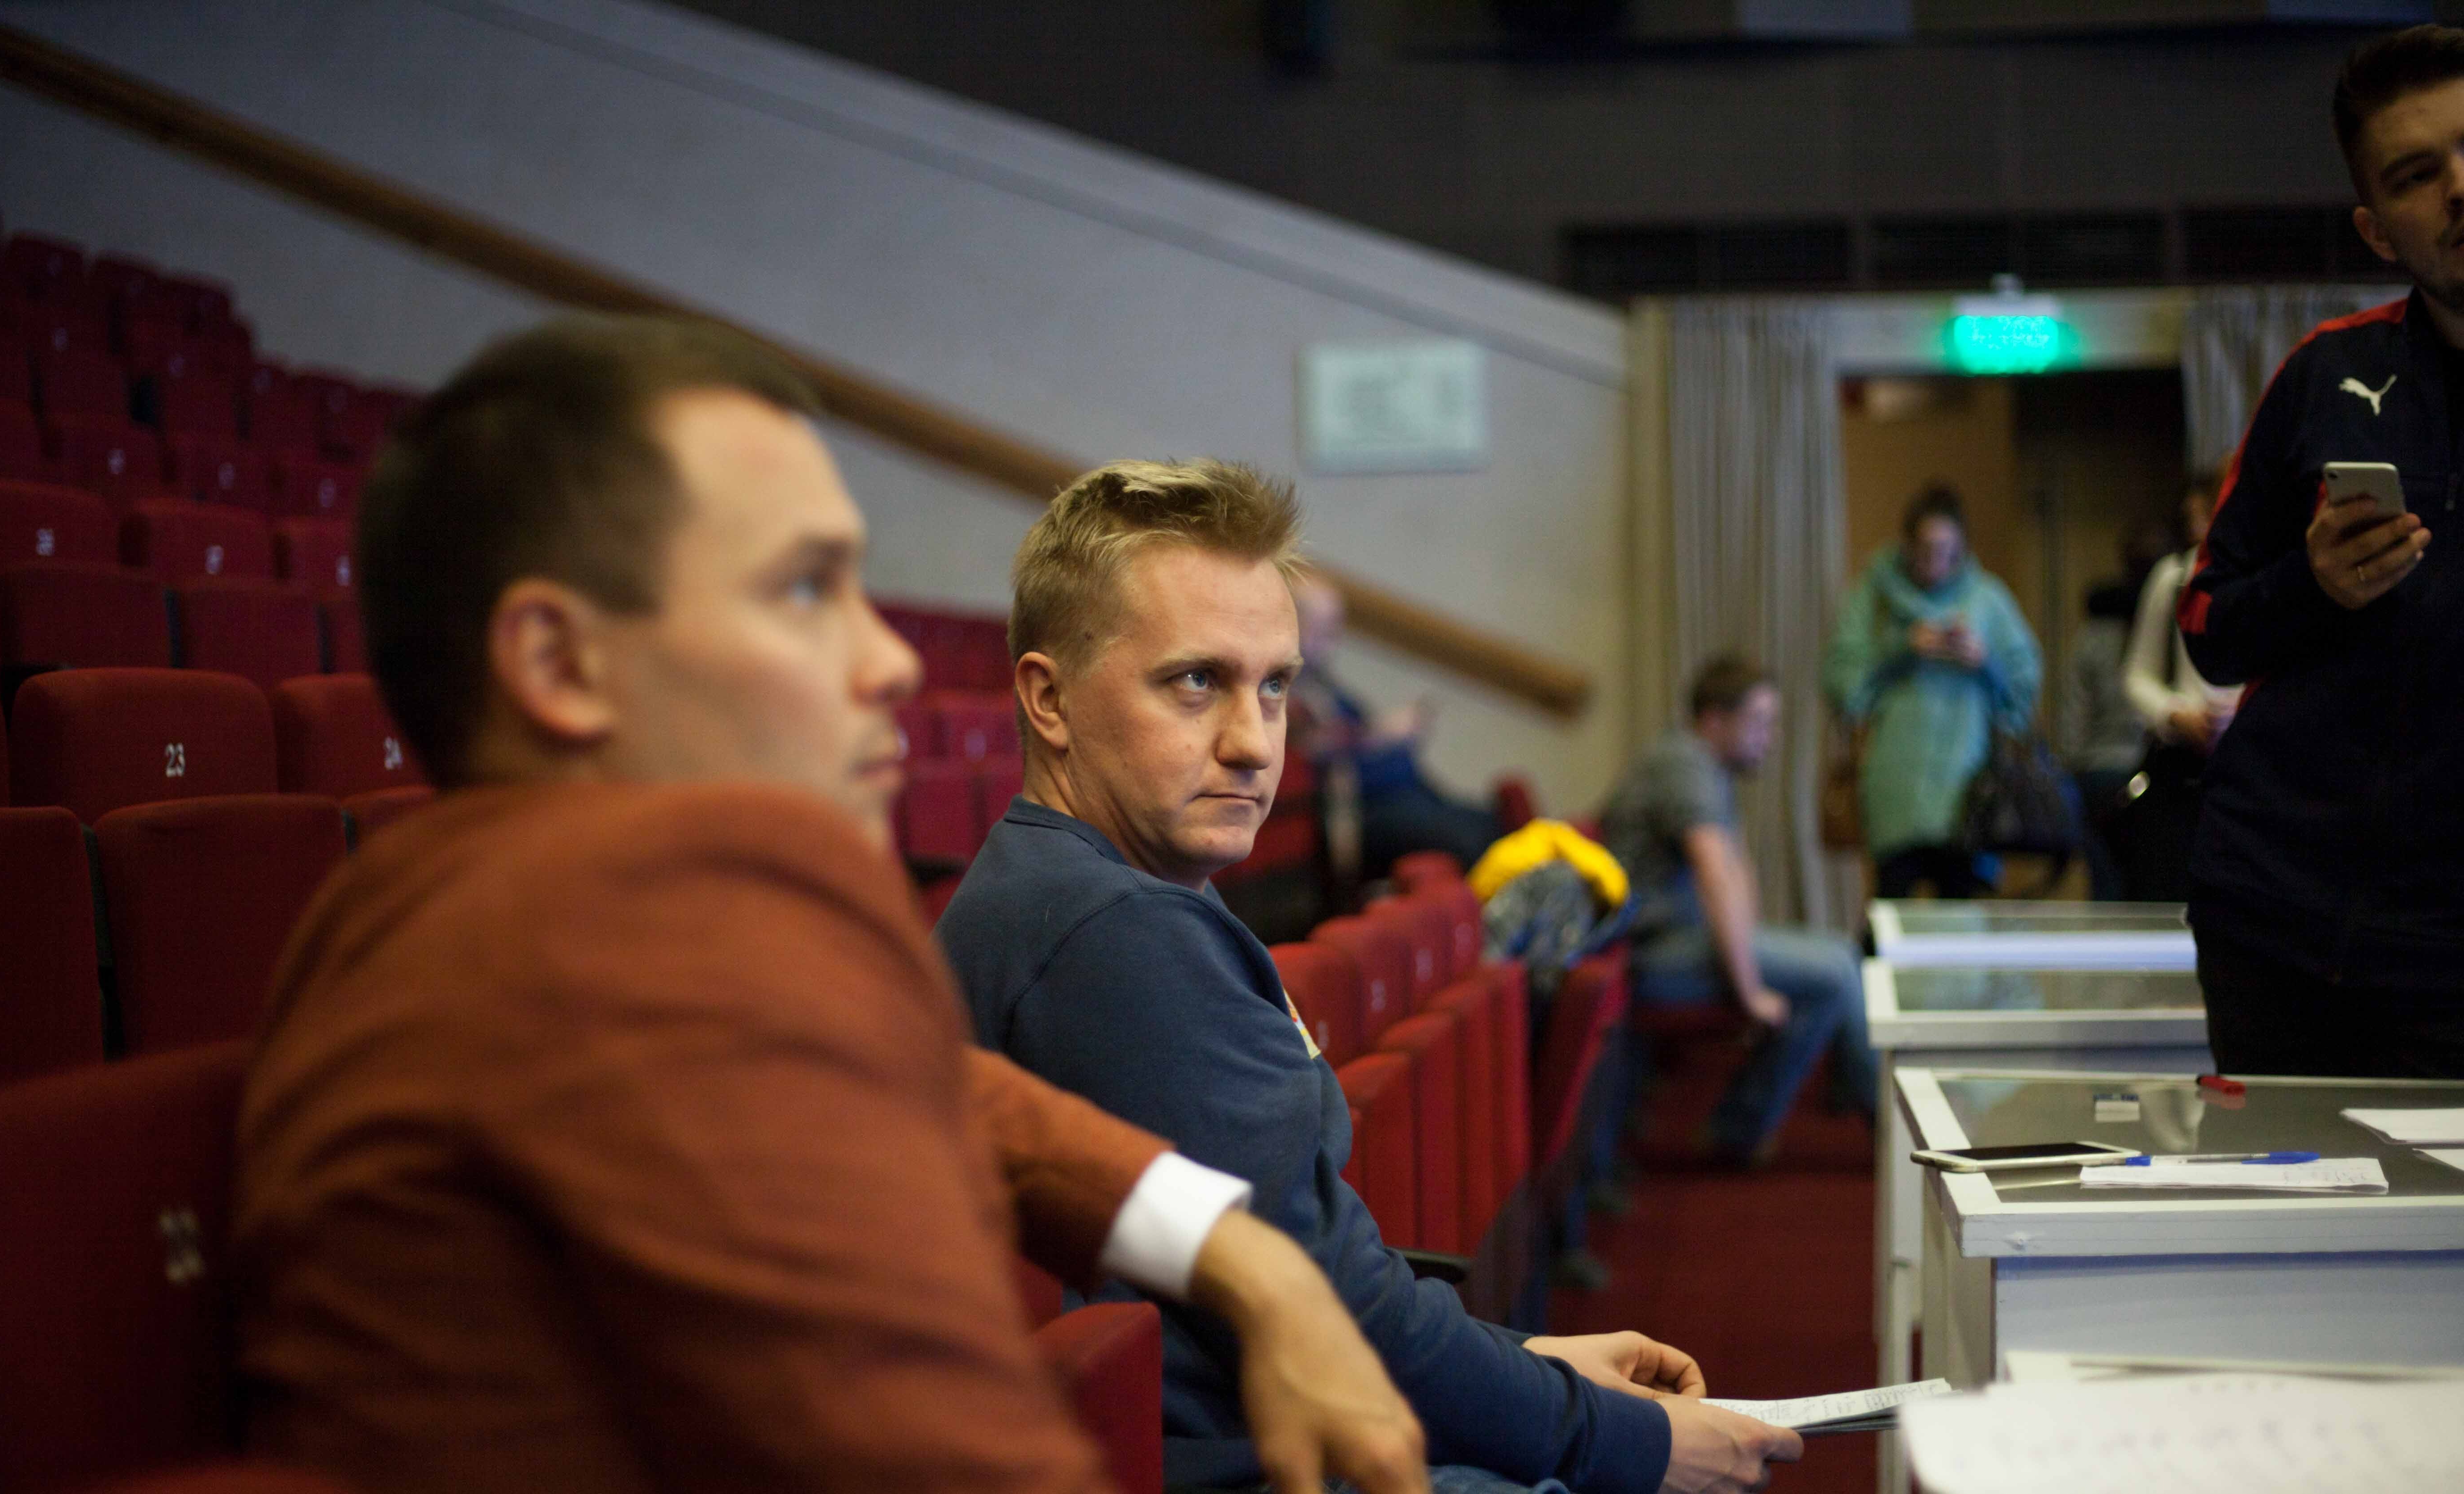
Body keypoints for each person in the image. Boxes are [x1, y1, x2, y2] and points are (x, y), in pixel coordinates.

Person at [233, 317, 1431, 1494]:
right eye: (805, 588)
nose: (890, 660)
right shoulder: (576, 981)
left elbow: (944, 1089)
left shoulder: (550, 910)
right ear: (558, 664)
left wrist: (1239, 1253)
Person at [937, 459, 1801, 1494]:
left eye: (1275, 685)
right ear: (1049, 698)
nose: (1253, 742)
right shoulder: (1112, 931)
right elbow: (1333, 1309)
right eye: (1195, 681)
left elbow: (1323, 1279)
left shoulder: (1097, 888)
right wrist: (1632, 1442)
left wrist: (1534, 1358)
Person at [2179, 24, 2464, 1078]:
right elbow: (2207, 624)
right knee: (2277, 1187)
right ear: (2378, 230)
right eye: (2416, 174)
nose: (2460, 188)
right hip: (2278, 924)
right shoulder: (2323, 377)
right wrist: (2311, 584)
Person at [1597, 655, 1878, 1168]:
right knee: (1835, 973)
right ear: (1714, 720)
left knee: (1839, 954)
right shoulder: (1684, 766)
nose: (1770, 738)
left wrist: (1754, 955)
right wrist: (1750, 991)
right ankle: (1887, 1126)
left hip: (1683, 941)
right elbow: (1714, 875)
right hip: (1648, 955)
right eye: (1759, 722)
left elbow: (1736, 871)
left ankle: (1742, 1128)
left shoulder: (1708, 768)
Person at [1822, 485, 2043, 900]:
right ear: (1907, 545)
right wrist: (1902, 650)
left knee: (1962, 913)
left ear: (1962, 549)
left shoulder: (1987, 598)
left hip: (1968, 786)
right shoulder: (1875, 595)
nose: (1936, 561)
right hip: (1894, 780)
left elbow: (2023, 687)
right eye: (1926, 550)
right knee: (1891, 905)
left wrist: (1984, 660)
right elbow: (1842, 682)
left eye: (1947, 550)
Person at [1290, 573, 1505, 878]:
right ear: (1292, 623)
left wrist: (1393, 732)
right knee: (1468, 842)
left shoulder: (1322, 681)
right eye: (1323, 627)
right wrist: (1383, 734)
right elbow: (1311, 749)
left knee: (1492, 822)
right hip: (1365, 808)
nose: (1334, 637)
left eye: (1336, 625)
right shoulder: (1287, 687)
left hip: (1405, 790)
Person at [2119, 483, 2241, 903]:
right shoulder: (2174, 577)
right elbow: (2137, 675)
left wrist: (2241, 714)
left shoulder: (2271, 575)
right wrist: (2176, 714)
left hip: (2250, 761)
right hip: (2182, 763)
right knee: (2170, 888)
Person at [2063, 516, 2176, 900]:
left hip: (2103, 772)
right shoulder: (2171, 629)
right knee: (2151, 890)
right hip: (2147, 773)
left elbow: (2073, 714)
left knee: (2109, 890)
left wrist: (2076, 766)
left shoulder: (2095, 633)